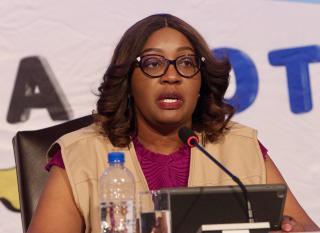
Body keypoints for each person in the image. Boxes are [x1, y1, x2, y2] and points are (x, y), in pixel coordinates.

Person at [27, 14, 319, 233]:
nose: (172, 76)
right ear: (128, 80)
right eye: (153, 63)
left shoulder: (240, 149)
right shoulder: (81, 155)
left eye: (187, 63)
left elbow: (307, 228)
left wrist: (290, 228)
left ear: (201, 81)